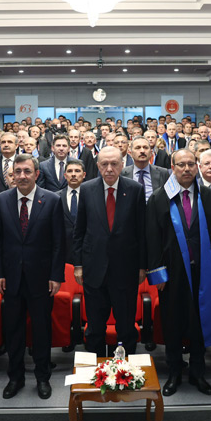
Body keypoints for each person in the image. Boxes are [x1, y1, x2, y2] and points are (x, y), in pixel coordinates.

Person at [145, 149, 211, 397]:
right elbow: (152, 237)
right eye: (181, 165)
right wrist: (158, 273)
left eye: (191, 164)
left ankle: (198, 372)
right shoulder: (160, 198)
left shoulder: (209, 197)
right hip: (172, 273)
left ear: (197, 167)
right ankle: (174, 372)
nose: (187, 169)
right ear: (172, 167)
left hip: (203, 271)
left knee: (199, 322)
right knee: (173, 322)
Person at [0, 154, 64, 400]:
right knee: (13, 331)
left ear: (37, 174)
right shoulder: (0, 201)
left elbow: (58, 242)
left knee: (42, 330)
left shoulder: (52, 200)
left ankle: (42, 377)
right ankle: (15, 377)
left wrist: (56, 275)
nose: (22, 176)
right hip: (10, 279)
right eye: (17, 171)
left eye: (27, 171)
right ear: (12, 174)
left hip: (42, 279)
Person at [72, 146, 146, 356]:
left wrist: (142, 266)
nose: (109, 168)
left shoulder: (135, 189)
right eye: (104, 164)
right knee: (95, 326)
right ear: (98, 166)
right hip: (94, 269)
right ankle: (95, 367)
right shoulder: (87, 189)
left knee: (126, 326)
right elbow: (79, 231)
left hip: (126, 269)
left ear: (122, 165)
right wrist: (78, 265)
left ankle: (126, 368)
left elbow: (141, 231)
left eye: (114, 164)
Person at [122, 137, 169, 202]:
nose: (142, 151)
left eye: (145, 148)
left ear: (151, 152)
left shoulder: (163, 173)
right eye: (138, 148)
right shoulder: (122, 174)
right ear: (130, 152)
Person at [58, 159, 85, 263]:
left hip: (86, 252)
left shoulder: (92, 196)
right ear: (65, 175)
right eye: (70, 171)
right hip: (63, 252)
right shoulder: (55, 198)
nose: (73, 174)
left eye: (77, 171)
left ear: (84, 175)